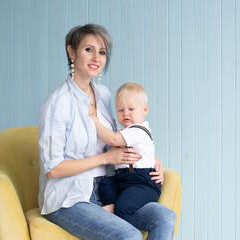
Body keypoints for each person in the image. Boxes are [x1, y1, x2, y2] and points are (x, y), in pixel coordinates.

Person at [38, 24, 176, 240]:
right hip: (70, 198)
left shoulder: (103, 94)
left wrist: (149, 157)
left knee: (165, 217)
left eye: (102, 52)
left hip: (109, 189)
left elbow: (118, 138)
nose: (97, 58)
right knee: (128, 235)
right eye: (89, 50)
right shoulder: (58, 103)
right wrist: (105, 158)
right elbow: (53, 169)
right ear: (71, 51)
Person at [89, 82, 161, 228]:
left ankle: (130, 232)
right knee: (106, 183)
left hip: (143, 183)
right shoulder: (125, 132)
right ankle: (112, 205)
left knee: (124, 207)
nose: (125, 113)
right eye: (120, 110)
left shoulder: (139, 130)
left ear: (144, 110)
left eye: (131, 109)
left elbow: (113, 139)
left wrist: (95, 123)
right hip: (125, 180)